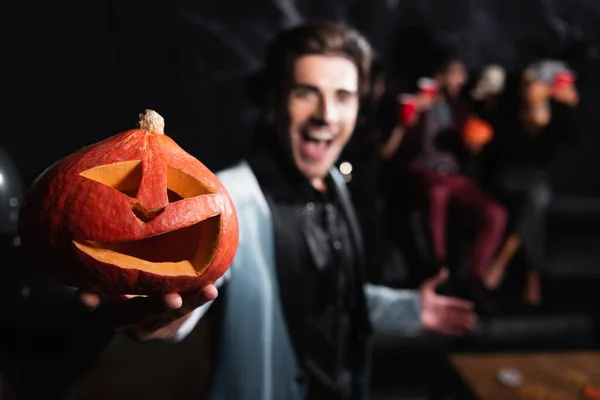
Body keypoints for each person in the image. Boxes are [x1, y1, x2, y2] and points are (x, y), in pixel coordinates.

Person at [65, 21, 476, 400]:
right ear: (275, 100)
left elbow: (333, 296)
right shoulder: (225, 199)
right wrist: (156, 317)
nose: (326, 115)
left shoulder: (335, 184)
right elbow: (181, 303)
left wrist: (410, 310)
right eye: (306, 92)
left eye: (343, 97)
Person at [378, 54, 507, 296]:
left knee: (495, 212)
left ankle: (474, 277)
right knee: (437, 193)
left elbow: (469, 148)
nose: (462, 80)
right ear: (440, 76)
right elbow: (390, 153)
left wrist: (472, 144)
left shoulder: (460, 108)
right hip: (422, 173)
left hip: (453, 175)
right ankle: (439, 271)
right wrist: (406, 118)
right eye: (457, 74)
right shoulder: (415, 104)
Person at [481, 61, 579, 305]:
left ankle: (502, 263)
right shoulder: (509, 110)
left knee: (533, 204)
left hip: (535, 182)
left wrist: (568, 108)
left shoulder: (556, 113)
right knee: (534, 202)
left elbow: (570, 140)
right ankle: (532, 278)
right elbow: (501, 153)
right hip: (507, 177)